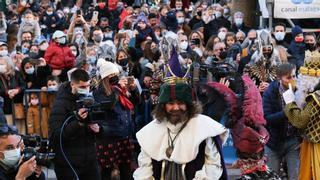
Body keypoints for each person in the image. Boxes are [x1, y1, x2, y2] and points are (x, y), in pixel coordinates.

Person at [133, 80, 229, 179]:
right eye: (171, 103)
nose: (176, 108)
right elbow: (145, 167)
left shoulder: (204, 127)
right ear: (163, 106)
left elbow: (212, 164)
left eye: (180, 103)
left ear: (188, 105)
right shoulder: (151, 130)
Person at [48, 69, 101, 180]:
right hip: (68, 164)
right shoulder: (60, 104)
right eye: (82, 87)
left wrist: (100, 129)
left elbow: (102, 122)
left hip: (90, 161)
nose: (86, 90)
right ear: (72, 84)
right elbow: (56, 136)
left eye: (88, 86)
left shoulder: (90, 100)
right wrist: (78, 123)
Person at [93, 59, 137, 180]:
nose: (114, 77)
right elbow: (108, 105)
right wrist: (116, 90)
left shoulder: (120, 89)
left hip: (124, 134)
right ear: (105, 76)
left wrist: (133, 89)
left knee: (126, 169)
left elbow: (135, 102)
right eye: (111, 75)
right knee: (106, 170)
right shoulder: (99, 91)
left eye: (116, 74)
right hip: (109, 137)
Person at [282, 50, 320, 180]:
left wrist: (289, 103)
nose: (300, 79)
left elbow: (300, 121)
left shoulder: (316, 97)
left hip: (315, 147)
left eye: (304, 75)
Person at [263, 63, 300, 180]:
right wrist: (286, 113)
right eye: (288, 77)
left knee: (296, 175)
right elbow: (267, 118)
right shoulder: (270, 92)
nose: (292, 80)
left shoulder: (299, 91)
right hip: (274, 142)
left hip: (293, 140)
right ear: (280, 79)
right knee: (272, 176)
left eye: (294, 76)